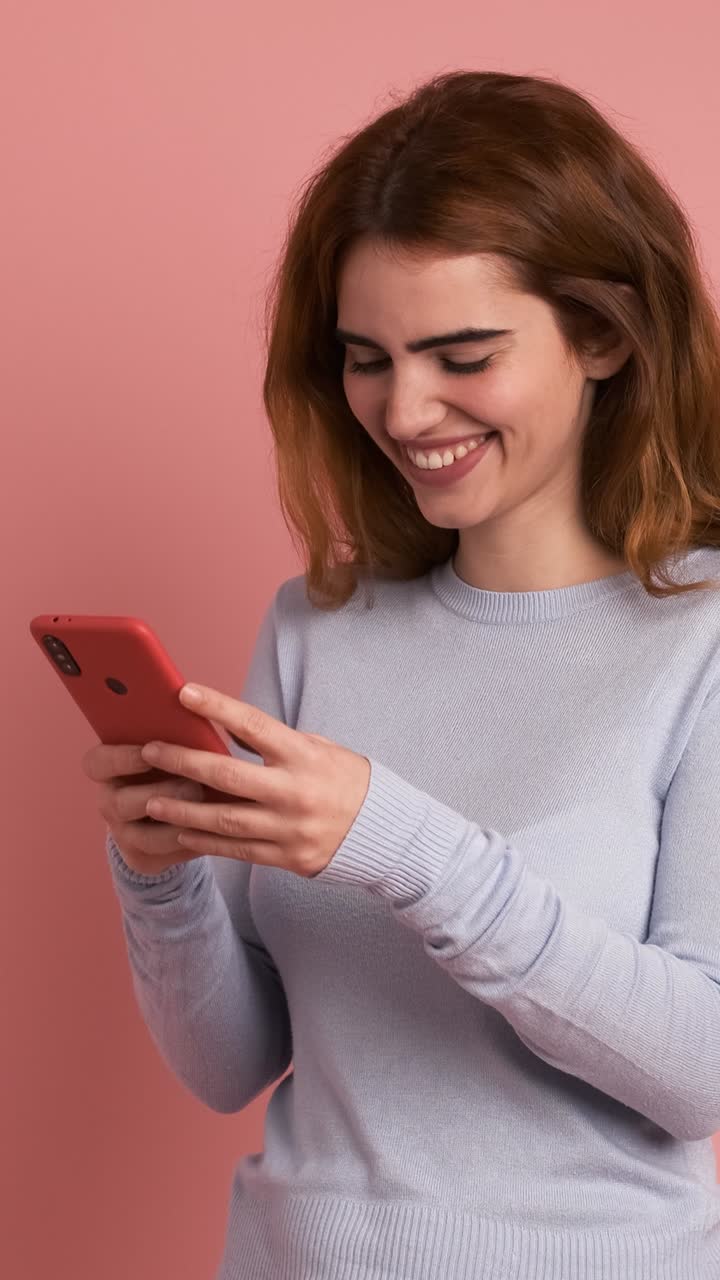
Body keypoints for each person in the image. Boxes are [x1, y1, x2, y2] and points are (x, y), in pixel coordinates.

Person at [97, 70, 720, 1278]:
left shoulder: (701, 637)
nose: (406, 406)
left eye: (463, 353)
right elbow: (230, 1063)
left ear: (603, 334)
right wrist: (158, 875)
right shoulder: (316, 629)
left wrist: (397, 838)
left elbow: (699, 1071)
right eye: (366, 357)